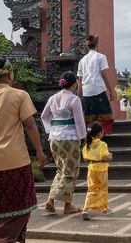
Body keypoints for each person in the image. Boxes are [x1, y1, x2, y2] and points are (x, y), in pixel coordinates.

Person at [0, 56, 46, 243]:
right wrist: (39, 152)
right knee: (21, 209)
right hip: (17, 162)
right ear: (10, 74)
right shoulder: (20, 95)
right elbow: (30, 125)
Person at [41, 71, 86, 216]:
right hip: (70, 137)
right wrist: (83, 137)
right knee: (70, 171)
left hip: (54, 139)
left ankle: (50, 200)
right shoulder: (74, 99)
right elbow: (79, 122)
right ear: (74, 84)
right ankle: (67, 205)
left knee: (61, 170)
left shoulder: (53, 98)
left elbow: (44, 116)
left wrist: (51, 130)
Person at [77, 35, 116, 135]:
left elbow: (80, 81)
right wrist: (111, 91)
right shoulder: (101, 57)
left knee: (89, 117)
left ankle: (91, 135)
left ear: (87, 46)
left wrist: (78, 96)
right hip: (98, 89)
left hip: (86, 91)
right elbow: (104, 75)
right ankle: (102, 135)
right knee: (105, 115)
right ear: (97, 44)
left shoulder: (82, 61)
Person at [81, 122, 113, 221]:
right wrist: (110, 157)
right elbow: (104, 157)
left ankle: (85, 209)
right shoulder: (102, 144)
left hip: (92, 168)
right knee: (102, 189)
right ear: (99, 133)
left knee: (91, 189)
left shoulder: (87, 145)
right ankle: (104, 208)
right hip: (102, 169)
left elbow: (85, 159)